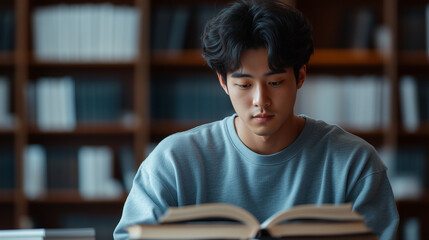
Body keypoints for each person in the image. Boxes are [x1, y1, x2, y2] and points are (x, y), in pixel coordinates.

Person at [114, 1, 399, 239]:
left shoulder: (355, 164)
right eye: (244, 85)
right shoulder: (172, 162)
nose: (260, 100)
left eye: (275, 82)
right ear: (223, 83)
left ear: (300, 77)